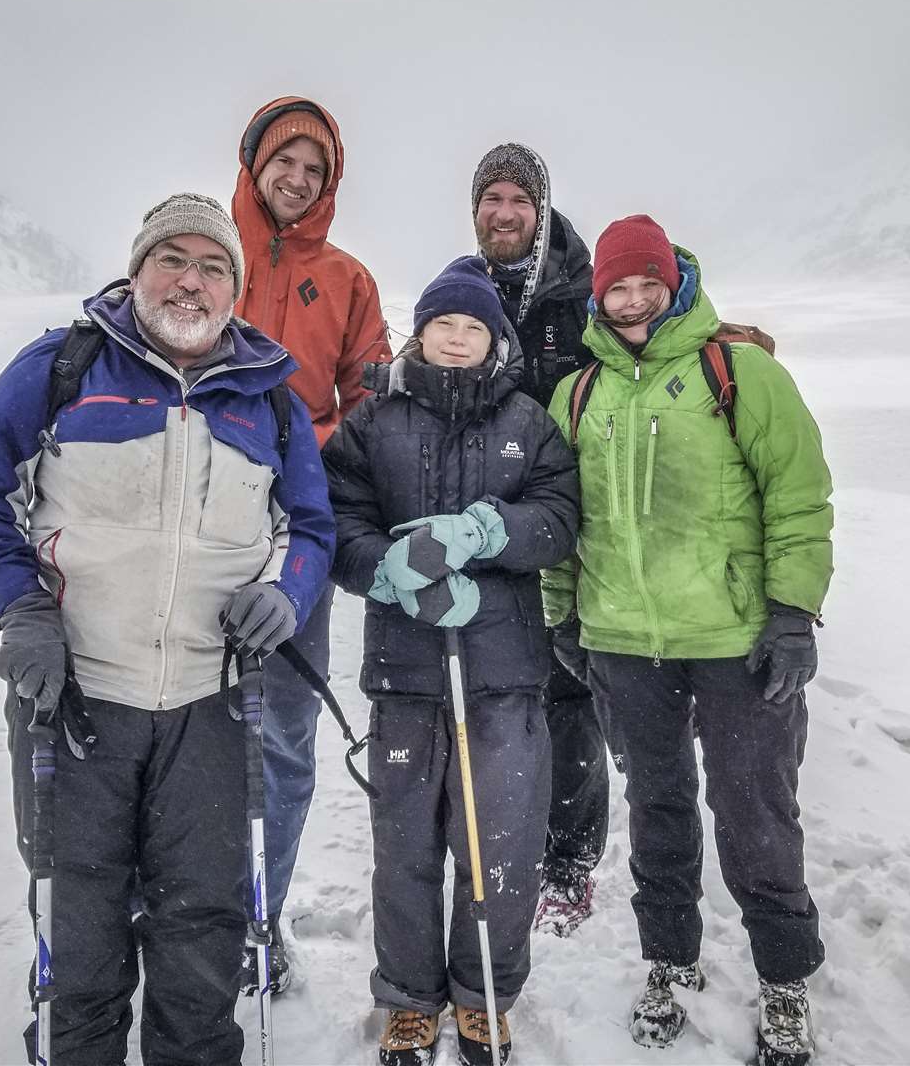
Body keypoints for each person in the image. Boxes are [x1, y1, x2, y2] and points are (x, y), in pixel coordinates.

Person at [0, 193, 335, 1065]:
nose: (191, 282)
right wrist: (24, 604)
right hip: (77, 698)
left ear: (236, 286)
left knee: (203, 927)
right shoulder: (63, 367)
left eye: (213, 266)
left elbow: (310, 527)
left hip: (211, 703)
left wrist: (286, 596)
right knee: (81, 924)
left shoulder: (270, 401)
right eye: (172, 261)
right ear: (138, 268)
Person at [541, 215, 833, 1066]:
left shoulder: (736, 371)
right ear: (598, 295)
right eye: (617, 289)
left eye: (647, 285)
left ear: (673, 284)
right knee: (657, 809)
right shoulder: (579, 395)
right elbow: (568, 521)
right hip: (624, 642)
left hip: (734, 637)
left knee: (754, 810)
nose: (633, 302)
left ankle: (782, 978)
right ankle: (668, 962)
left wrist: (790, 612)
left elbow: (798, 495)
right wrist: (565, 614)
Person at [323, 257, 580, 1066]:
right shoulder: (375, 420)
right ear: (420, 333)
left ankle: (483, 994)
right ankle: (407, 998)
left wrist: (491, 531)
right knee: (403, 846)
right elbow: (338, 519)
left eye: (474, 327)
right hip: (405, 671)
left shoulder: (528, 421)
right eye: (445, 325)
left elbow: (561, 517)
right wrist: (386, 574)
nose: (459, 339)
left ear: (495, 340)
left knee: (496, 844)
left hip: (503, 673)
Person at [231, 96, 391, 993]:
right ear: (253, 161)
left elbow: (369, 405)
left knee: (286, 738)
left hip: (298, 536)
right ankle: (182, 910)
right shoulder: (205, 253)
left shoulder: (347, 279)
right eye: (284, 162)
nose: (296, 179)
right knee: (181, 735)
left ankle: (261, 916)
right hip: (194, 529)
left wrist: (322, 471)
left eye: (314, 169)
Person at [469, 143, 610, 936]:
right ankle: (494, 838)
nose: (503, 213)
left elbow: (634, 348)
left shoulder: (580, 295)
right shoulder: (467, 288)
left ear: (541, 209)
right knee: (494, 691)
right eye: (490, 199)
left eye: (517, 200)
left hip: (568, 523)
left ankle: (567, 862)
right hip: (487, 526)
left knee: (569, 695)